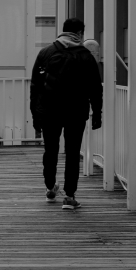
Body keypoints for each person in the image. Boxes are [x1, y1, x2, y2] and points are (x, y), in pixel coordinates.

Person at [30, 18, 103, 209]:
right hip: (76, 112)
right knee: (72, 153)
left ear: (62, 31)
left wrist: (35, 115)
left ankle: (50, 188)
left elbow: (35, 87)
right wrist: (97, 114)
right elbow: (95, 88)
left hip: (49, 111)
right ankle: (70, 197)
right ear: (79, 33)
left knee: (51, 150)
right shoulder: (86, 55)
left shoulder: (46, 53)